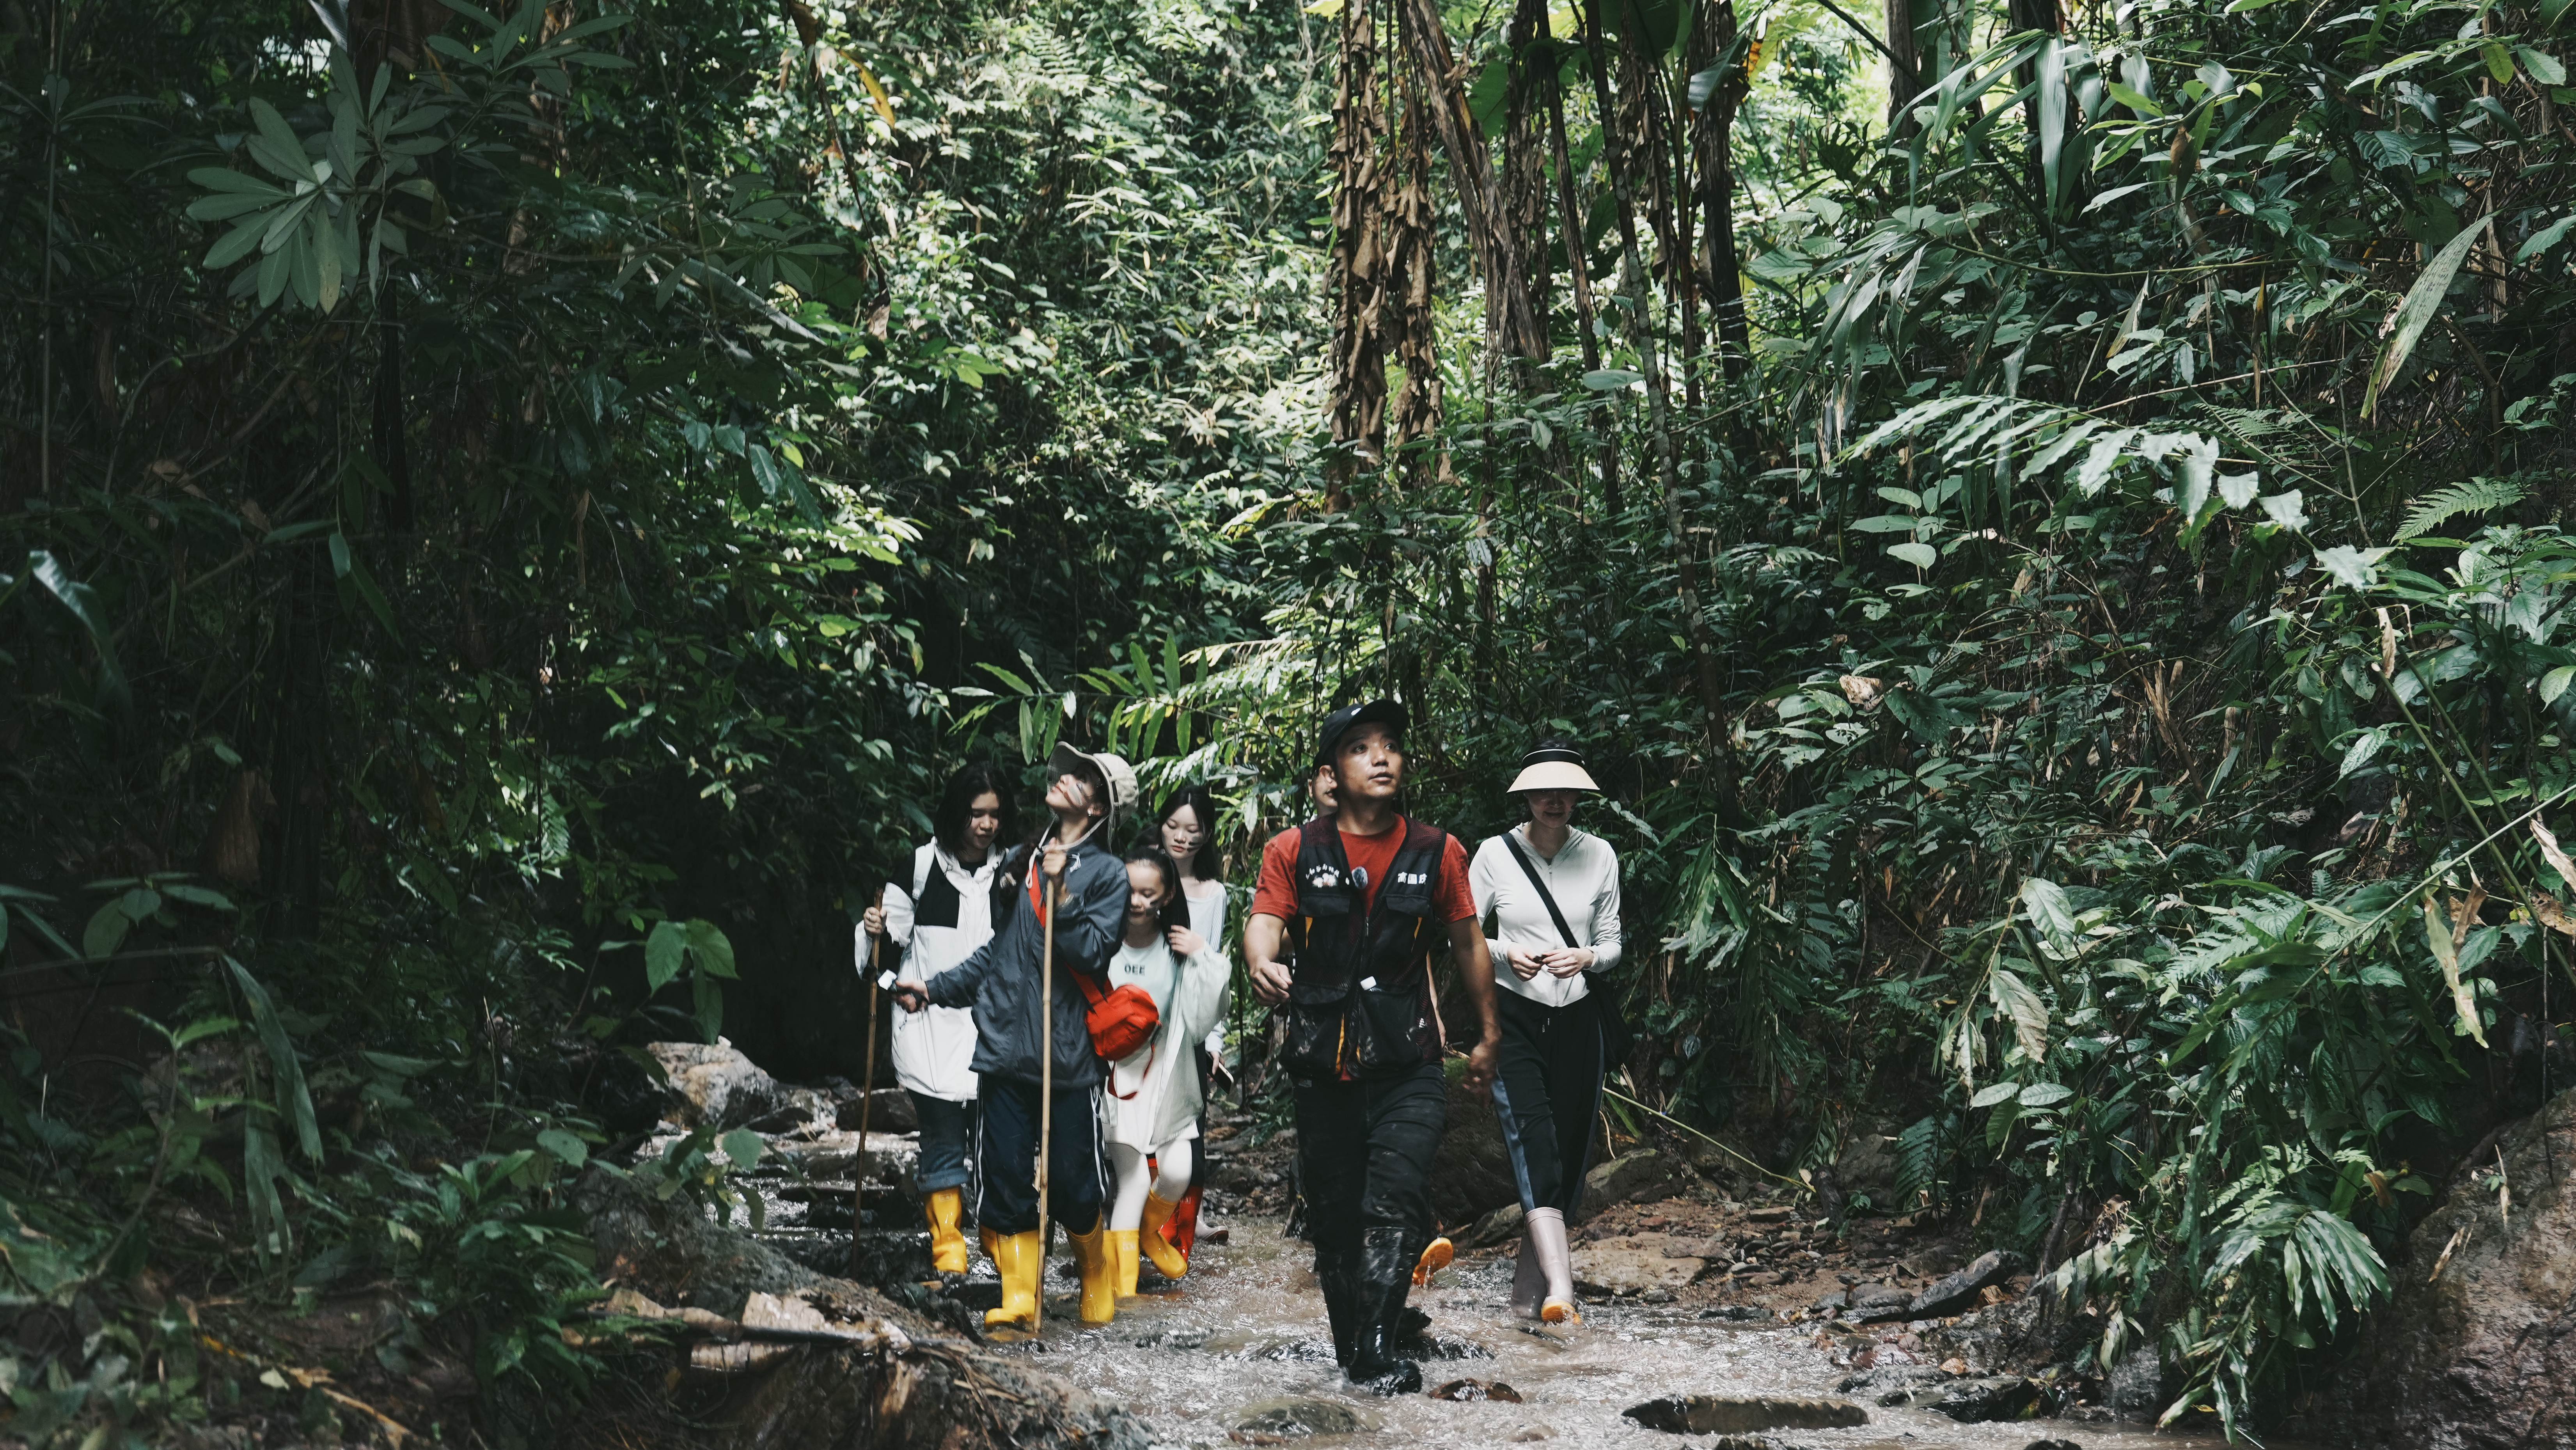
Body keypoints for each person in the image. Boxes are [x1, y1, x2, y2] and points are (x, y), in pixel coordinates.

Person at [1246, 699, 1501, 1393]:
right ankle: (1354, 1351)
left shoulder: (1437, 850)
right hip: (1322, 1063)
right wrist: (1261, 961)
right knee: (1334, 1219)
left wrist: (1489, 1033)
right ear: (1332, 772)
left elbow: (1468, 942)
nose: (1380, 756)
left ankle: (1378, 1349)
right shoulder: (1293, 849)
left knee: (1397, 1197)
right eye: (1360, 747)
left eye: (1389, 743)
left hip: (1407, 1061)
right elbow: (1264, 920)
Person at [894, 742, 1137, 1331]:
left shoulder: (1108, 874)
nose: (1065, 779)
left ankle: (1094, 1269)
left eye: (1082, 778)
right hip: (1004, 1049)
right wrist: (935, 988)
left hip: (1066, 1056)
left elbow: (1092, 951)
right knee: (1003, 1176)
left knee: (1075, 1181)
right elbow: (998, 955)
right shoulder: (1026, 859)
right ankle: (1020, 1294)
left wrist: (1064, 896)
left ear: (1098, 807)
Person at [1469, 739, 1625, 1326]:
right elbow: (1464, 933)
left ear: (1578, 796)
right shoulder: (1493, 854)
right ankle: (1563, 1286)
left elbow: (1612, 943)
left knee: (1568, 1155)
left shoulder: (1600, 855)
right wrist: (1506, 952)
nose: (1553, 801)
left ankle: (1524, 1303)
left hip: (1579, 1018)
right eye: (1542, 791)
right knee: (1533, 1141)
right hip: (1515, 1016)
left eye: (1564, 792)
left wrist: (1586, 958)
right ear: (1526, 796)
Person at [861, 763, 1013, 1275]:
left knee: (997, 1148)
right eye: (976, 813)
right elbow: (880, 961)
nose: (986, 825)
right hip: (929, 1030)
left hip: (995, 1033)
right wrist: (874, 938)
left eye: (994, 814)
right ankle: (949, 1250)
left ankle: (999, 1245)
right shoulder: (920, 867)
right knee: (944, 1141)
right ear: (955, 813)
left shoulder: (1012, 873)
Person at [1098, 843, 1230, 1297]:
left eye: (1148, 893)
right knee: (1133, 1181)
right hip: (1118, 1080)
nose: (1136, 902)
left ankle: (1149, 1234)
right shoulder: (1101, 945)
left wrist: (1203, 954)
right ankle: (1123, 1291)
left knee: (1177, 1172)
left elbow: (1204, 1015)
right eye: (1129, 892)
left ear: (1167, 894)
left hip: (1169, 1079)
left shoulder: (1177, 950)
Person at [1148, 784, 1230, 1274]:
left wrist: (1214, 1042)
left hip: (1190, 1023)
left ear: (1207, 834)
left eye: (1192, 830)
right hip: (1143, 1019)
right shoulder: (1140, 877)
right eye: (1173, 826)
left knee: (1189, 1125)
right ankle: (1136, 1220)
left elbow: (1213, 966)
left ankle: (1184, 1222)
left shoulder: (1214, 893)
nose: (1181, 838)